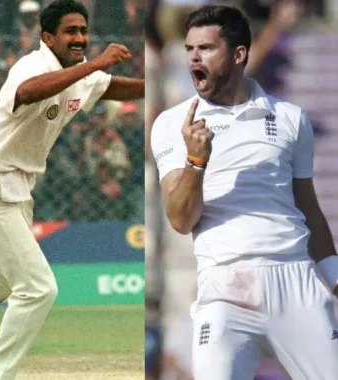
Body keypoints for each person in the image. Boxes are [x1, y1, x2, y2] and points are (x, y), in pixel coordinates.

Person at [0, 1, 144, 379]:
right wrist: (93, 64)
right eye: (70, 31)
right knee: (39, 289)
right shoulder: (33, 66)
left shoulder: (81, 72)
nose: (80, 38)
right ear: (47, 37)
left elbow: (113, 88)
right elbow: (27, 93)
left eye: (83, 31)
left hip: (17, 188)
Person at [150, 5, 338, 379]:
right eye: (190, 49)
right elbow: (180, 219)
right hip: (225, 291)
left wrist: (334, 278)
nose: (194, 57)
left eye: (205, 48)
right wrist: (196, 161)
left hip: (296, 282)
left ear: (238, 55)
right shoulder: (172, 124)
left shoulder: (290, 118)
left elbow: (309, 209)